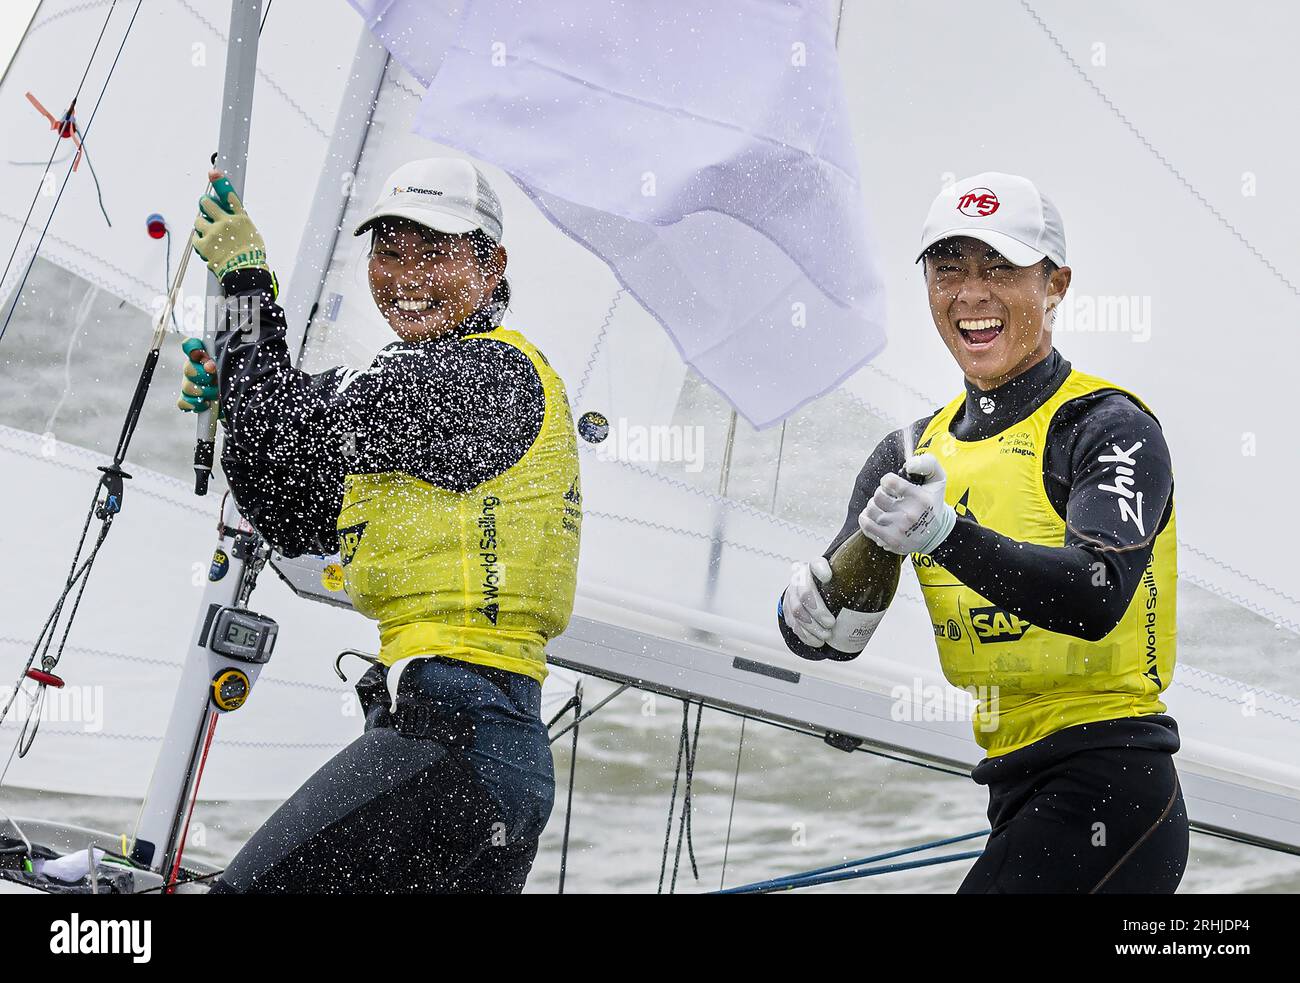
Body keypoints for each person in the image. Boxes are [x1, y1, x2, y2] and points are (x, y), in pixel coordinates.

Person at [178, 157, 583, 893]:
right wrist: (240, 396)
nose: (409, 276)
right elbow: (285, 499)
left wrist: (243, 286)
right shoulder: (418, 398)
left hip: (455, 744)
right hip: (479, 759)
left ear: (492, 268)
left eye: (437, 251)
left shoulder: (480, 379)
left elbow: (286, 431)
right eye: (391, 251)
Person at [778, 172, 1187, 894]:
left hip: (1112, 783)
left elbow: (1096, 598)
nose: (970, 294)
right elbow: (837, 630)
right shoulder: (908, 451)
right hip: (1011, 787)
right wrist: (803, 618)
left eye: (999, 267)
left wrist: (945, 532)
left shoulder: (1107, 428)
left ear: (1055, 285)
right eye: (949, 268)